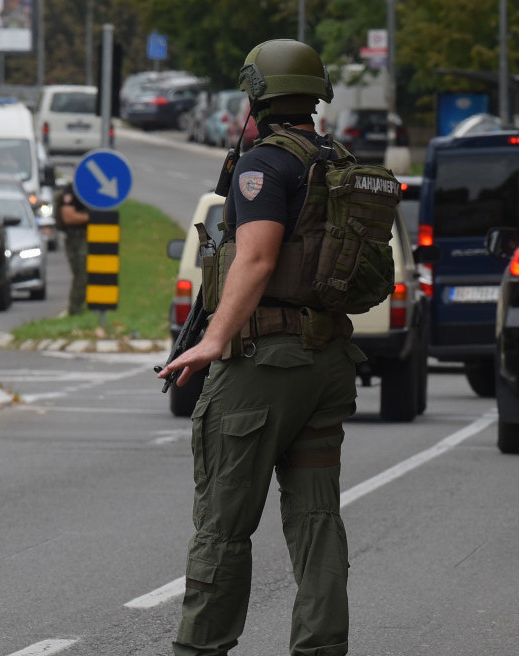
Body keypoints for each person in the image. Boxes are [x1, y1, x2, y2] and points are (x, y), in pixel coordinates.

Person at [159, 39, 361, 656]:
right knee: (317, 519)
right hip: (327, 363)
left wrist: (214, 339)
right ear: (313, 94)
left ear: (257, 94)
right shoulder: (339, 161)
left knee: (223, 524)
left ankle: (200, 648)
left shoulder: (265, 165)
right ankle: (321, 648)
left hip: (265, 364)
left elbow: (257, 255)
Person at [58, 182, 90, 315]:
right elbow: (68, 217)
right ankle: (75, 310)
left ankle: (81, 309)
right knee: (82, 275)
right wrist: (93, 217)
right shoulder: (72, 190)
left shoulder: (93, 189)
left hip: (93, 236)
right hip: (76, 238)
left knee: (87, 275)